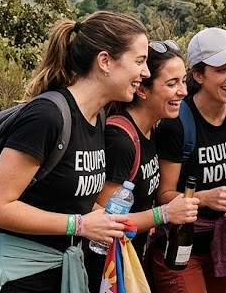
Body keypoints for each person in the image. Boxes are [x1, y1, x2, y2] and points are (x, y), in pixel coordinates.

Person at [0, 11, 150, 293]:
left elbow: (71, 200)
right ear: (105, 61)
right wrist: (81, 225)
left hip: (58, 272)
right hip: (13, 278)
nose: (145, 73)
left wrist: (109, 223)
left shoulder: (96, 118)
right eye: (139, 61)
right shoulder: (47, 117)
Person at [85, 38, 200, 288]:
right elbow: (105, 222)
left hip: (128, 259)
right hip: (103, 271)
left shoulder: (151, 131)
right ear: (142, 90)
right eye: (172, 84)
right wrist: (165, 214)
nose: (183, 91)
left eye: (183, 81)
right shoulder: (121, 139)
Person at [150, 28, 226, 293]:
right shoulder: (178, 124)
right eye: (221, 69)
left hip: (220, 245)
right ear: (198, 75)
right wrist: (205, 198)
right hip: (180, 248)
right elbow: (163, 194)